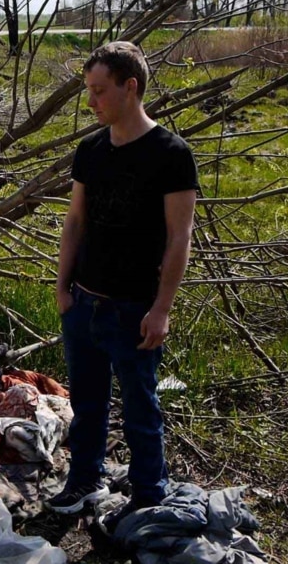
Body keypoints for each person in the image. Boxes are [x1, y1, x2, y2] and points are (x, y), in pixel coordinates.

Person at [48, 41, 199, 515]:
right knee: (87, 406)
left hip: (134, 309)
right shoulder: (90, 149)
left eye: (98, 90)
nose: (90, 102)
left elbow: (180, 237)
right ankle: (84, 482)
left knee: (141, 411)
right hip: (84, 303)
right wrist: (62, 288)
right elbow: (75, 220)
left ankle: (149, 496)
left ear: (129, 87)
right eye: (88, 91)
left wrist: (162, 309)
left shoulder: (171, 154)